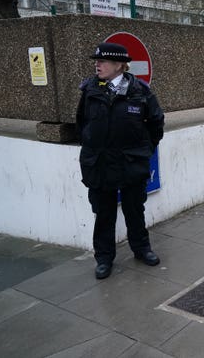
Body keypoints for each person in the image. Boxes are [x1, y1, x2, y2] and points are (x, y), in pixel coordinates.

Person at [76, 42, 165, 279]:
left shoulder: (140, 91)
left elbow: (156, 123)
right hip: (101, 164)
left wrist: (145, 149)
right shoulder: (90, 90)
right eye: (97, 61)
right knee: (104, 213)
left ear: (119, 65)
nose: (97, 65)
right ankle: (104, 258)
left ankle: (141, 249)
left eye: (102, 61)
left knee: (134, 209)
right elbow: (81, 123)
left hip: (131, 163)